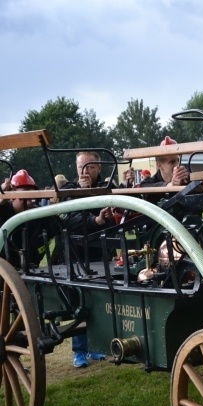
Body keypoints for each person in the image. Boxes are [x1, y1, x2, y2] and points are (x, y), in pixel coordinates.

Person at [60, 151, 116, 368]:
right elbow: (69, 221)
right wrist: (95, 218)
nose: (85, 171)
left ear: (98, 168)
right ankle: (80, 351)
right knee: (80, 303)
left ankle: (96, 346)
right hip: (76, 255)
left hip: (101, 254)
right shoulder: (67, 190)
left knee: (99, 302)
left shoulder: (107, 187)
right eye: (81, 167)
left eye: (90, 167)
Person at [0, 170, 60, 268]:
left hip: (31, 273)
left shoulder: (40, 216)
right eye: (22, 199)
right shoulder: (2, 211)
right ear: (11, 197)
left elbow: (64, 226)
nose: (28, 203)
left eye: (31, 198)